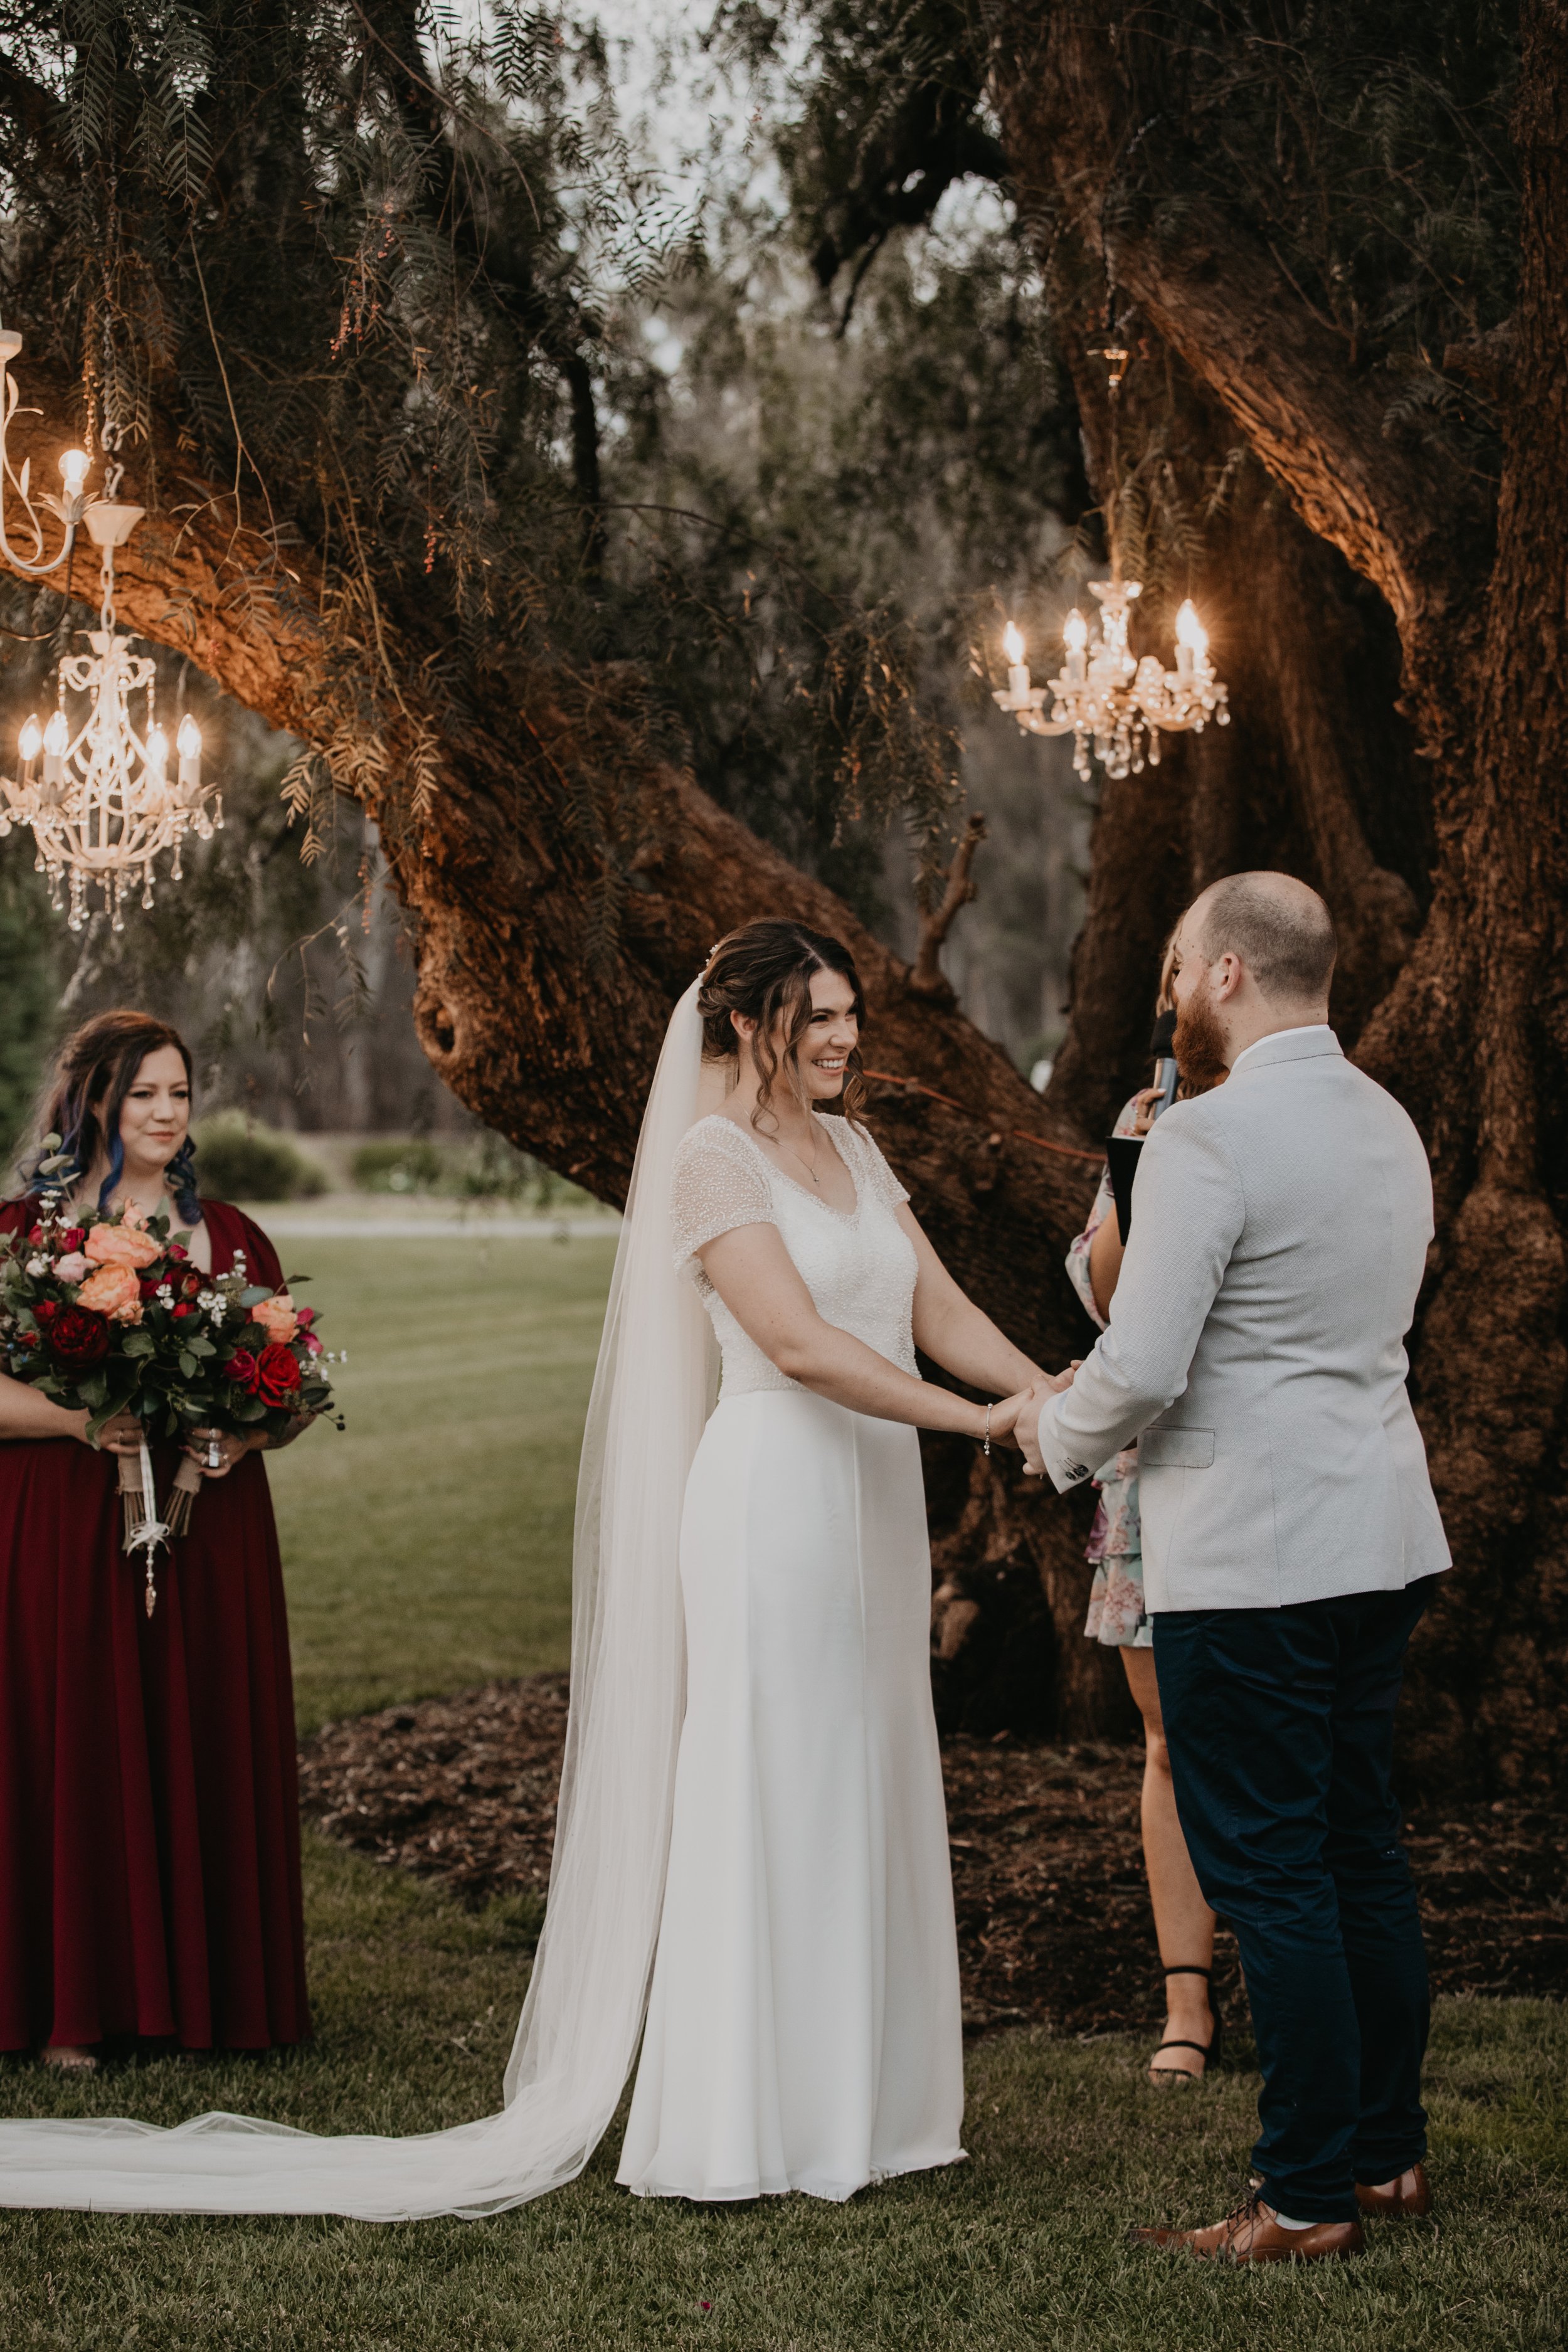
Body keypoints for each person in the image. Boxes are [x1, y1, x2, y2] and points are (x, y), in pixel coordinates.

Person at [0, 924, 1039, 2218]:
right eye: (814, 1015)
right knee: (772, 1777)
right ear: (745, 1023)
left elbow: (930, 1307)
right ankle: (741, 2119)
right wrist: (978, 1426)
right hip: (776, 1489)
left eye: (848, 1014)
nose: (841, 1036)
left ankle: (872, 2109)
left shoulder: (854, 1148)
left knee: (870, 1765)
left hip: (870, 1497)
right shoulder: (711, 1161)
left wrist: (1037, 1388)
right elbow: (798, 1342)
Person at [1022, 872, 1449, 2264]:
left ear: (1220, 975)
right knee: (1355, 1850)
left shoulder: (1207, 1136)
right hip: (1375, 1535)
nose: (1167, 994)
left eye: (1173, 968)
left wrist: (1048, 1432)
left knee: (1269, 1874)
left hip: (1248, 1558)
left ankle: (1303, 2196)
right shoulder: (1387, 1123)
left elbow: (1141, 1360)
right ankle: (1384, 2161)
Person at [0, 1012, 311, 2070]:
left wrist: (247, 1428)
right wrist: (79, 1420)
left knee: (200, 1723)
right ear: (95, 1100)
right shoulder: (26, 1233)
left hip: (207, 1527)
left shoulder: (231, 1237)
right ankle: (70, 2006)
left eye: (180, 1093)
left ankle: (209, 1996)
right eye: (144, 1094)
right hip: (65, 1520)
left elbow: (295, 1386)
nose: (167, 1113)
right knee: (78, 1737)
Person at [1066, 949, 1219, 2085]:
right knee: (1167, 1740)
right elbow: (1107, 1293)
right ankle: (1189, 2002)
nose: (1168, 988)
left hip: (1255, 1468)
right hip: (1148, 1467)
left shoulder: (1296, 1106)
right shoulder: (1144, 1109)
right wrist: (1136, 1177)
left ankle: (1302, 1969)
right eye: (1158, 970)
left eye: (1185, 965)